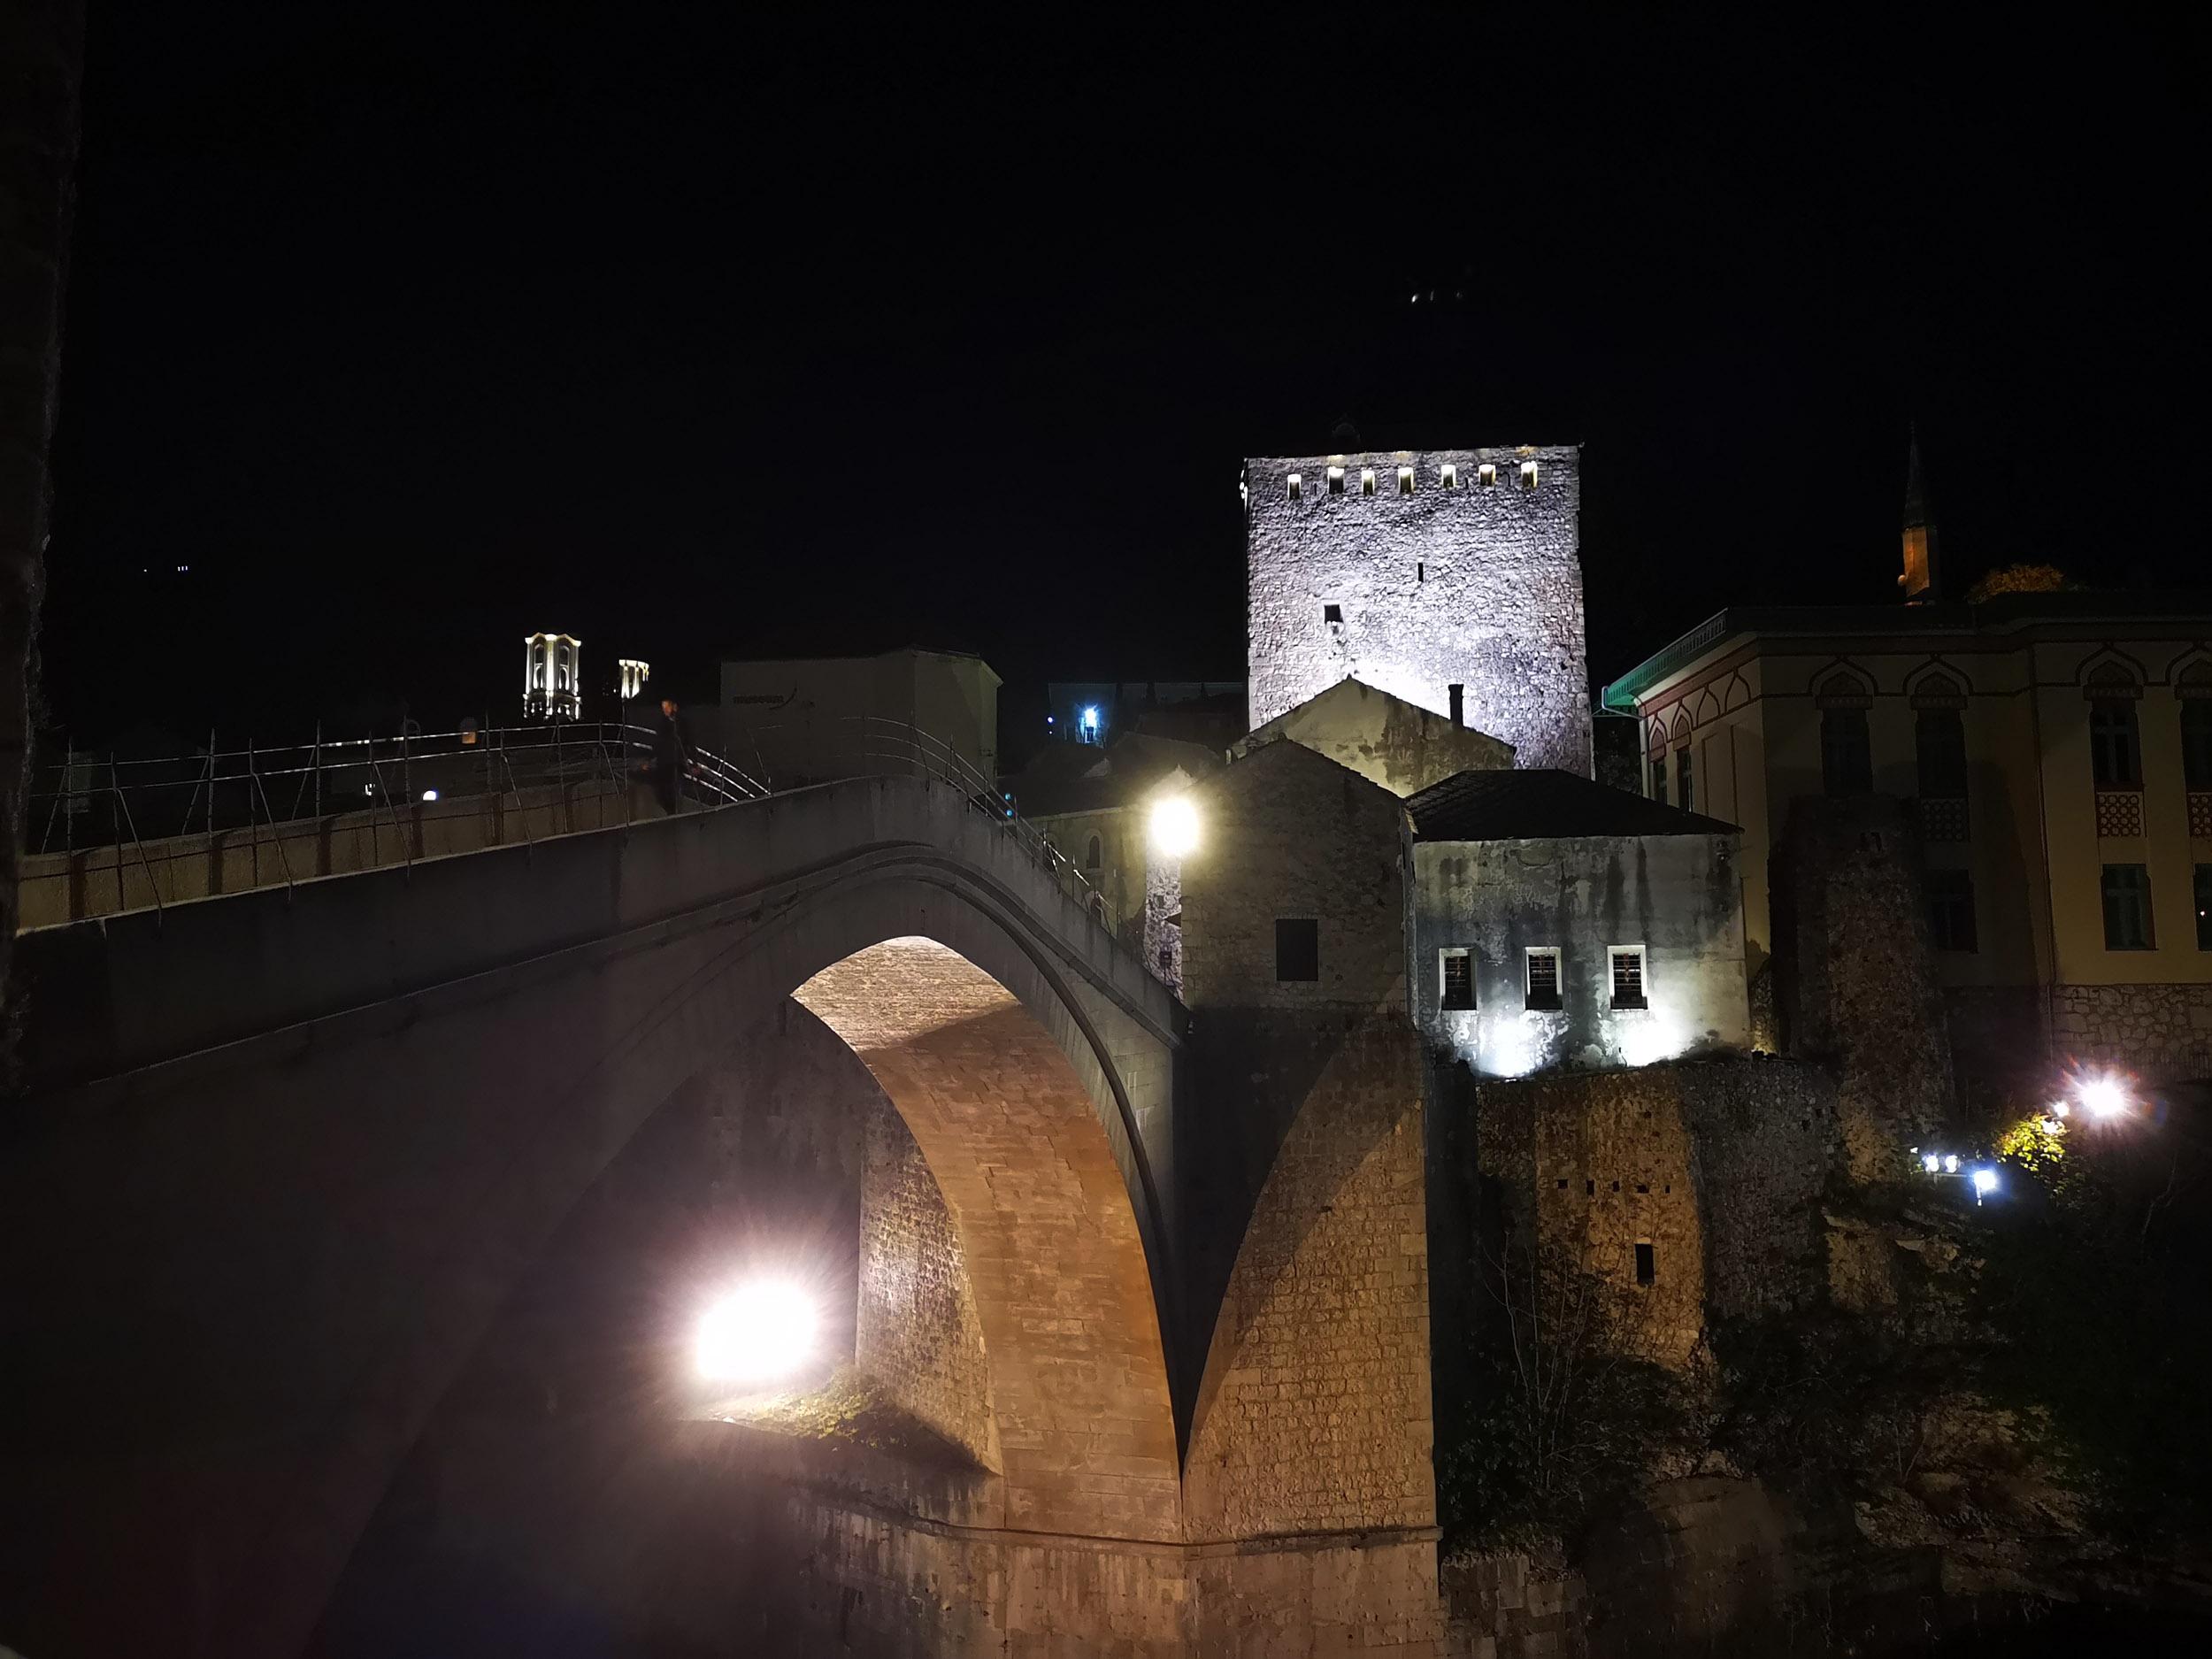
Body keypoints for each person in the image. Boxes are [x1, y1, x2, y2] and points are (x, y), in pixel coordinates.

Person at [647, 695, 687, 814]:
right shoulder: (662, 724)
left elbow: (688, 741)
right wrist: (650, 759)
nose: (664, 710)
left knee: (674, 792)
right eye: (663, 707)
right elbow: (657, 743)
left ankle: (673, 813)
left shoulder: (681, 724)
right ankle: (670, 811)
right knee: (662, 793)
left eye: (667, 707)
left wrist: (693, 762)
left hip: (676, 763)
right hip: (664, 763)